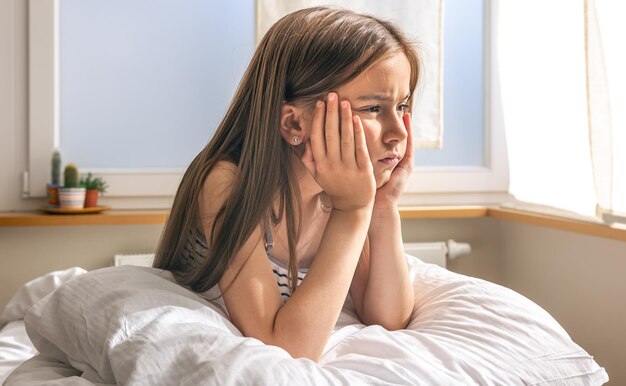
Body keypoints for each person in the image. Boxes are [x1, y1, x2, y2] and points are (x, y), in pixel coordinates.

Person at [154, 6, 420, 362]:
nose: (399, 131)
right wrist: (353, 211)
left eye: (402, 106)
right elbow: (285, 348)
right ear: (294, 124)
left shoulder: (340, 192)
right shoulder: (225, 185)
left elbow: (388, 318)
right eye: (372, 108)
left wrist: (383, 207)